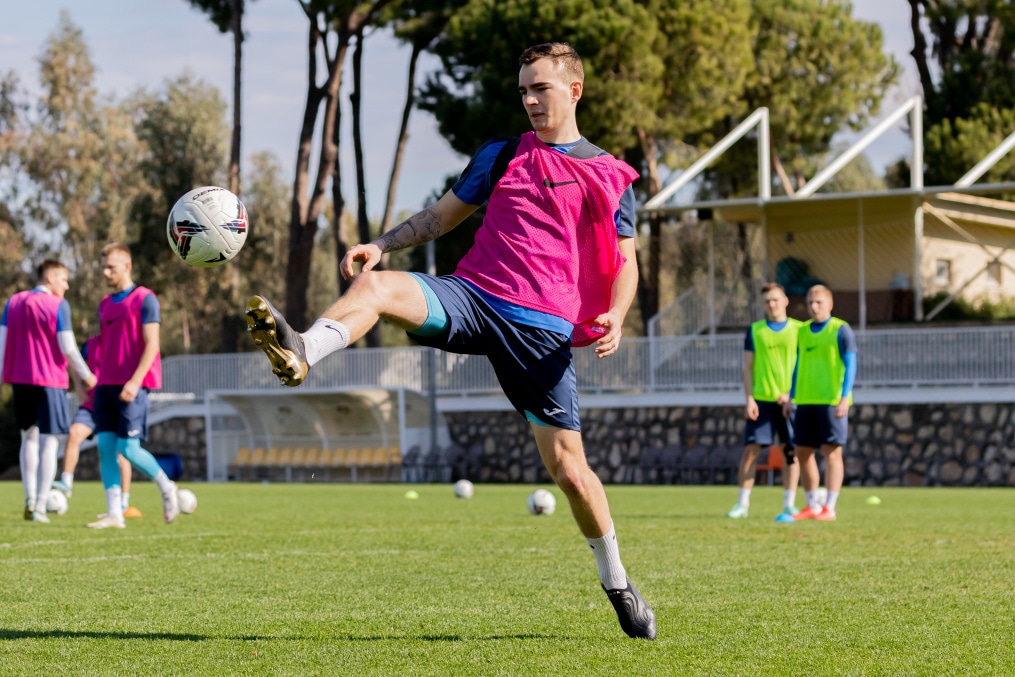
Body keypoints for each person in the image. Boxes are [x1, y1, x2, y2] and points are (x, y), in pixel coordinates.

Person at [245, 43, 655, 639]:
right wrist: (381, 245)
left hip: (540, 331)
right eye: (524, 91)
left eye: (541, 88)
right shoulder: (504, 154)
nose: (531, 100)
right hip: (471, 296)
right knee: (377, 286)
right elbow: (443, 216)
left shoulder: (610, 174)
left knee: (570, 471)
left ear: (575, 90)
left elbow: (626, 263)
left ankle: (616, 580)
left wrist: (617, 313)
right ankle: (305, 350)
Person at [87, 243, 179, 529]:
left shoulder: (146, 299)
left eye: (111, 267)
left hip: (133, 385)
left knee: (128, 449)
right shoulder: (104, 303)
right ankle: (115, 513)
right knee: (104, 446)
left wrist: (135, 381)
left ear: (127, 266)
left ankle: (167, 487)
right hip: (106, 385)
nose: (105, 272)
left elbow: (152, 345)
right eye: (103, 266)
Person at [0, 260, 96, 522]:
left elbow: (2, 343)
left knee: (27, 438)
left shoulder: (14, 302)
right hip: (50, 381)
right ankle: (41, 505)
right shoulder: (58, 305)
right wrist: (88, 376)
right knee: (50, 442)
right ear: (51, 278)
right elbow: (67, 346)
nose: (65, 286)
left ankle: (30, 500)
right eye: (64, 280)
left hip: (20, 380)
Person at [727, 282, 815, 521]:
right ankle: (742, 504)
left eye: (776, 299)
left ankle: (789, 504)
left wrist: (792, 394)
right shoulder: (755, 330)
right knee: (750, 450)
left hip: (789, 402)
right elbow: (747, 367)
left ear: (785, 300)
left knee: (790, 451)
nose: (772, 304)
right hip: (761, 400)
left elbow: (805, 366)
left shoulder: (800, 329)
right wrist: (749, 399)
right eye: (767, 301)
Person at [782, 285, 857, 522]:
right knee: (802, 452)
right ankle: (812, 504)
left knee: (832, 453)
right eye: (810, 302)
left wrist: (845, 396)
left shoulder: (840, 329)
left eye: (819, 302)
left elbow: (852, 364)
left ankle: (829, 508)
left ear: (829, 304)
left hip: (831, 401)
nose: (814, 307)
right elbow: (797, 366)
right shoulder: (802, 331)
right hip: (805, 401)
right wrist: (791, 396)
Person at [54, 334, 142, 518]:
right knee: (74, 433)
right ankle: (66, 483)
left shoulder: (124, 342)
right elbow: (73, 362)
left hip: (114, 407)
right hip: (91, 405)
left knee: (121, 452)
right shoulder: (90, 344)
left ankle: (123, 503)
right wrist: (79, 389)